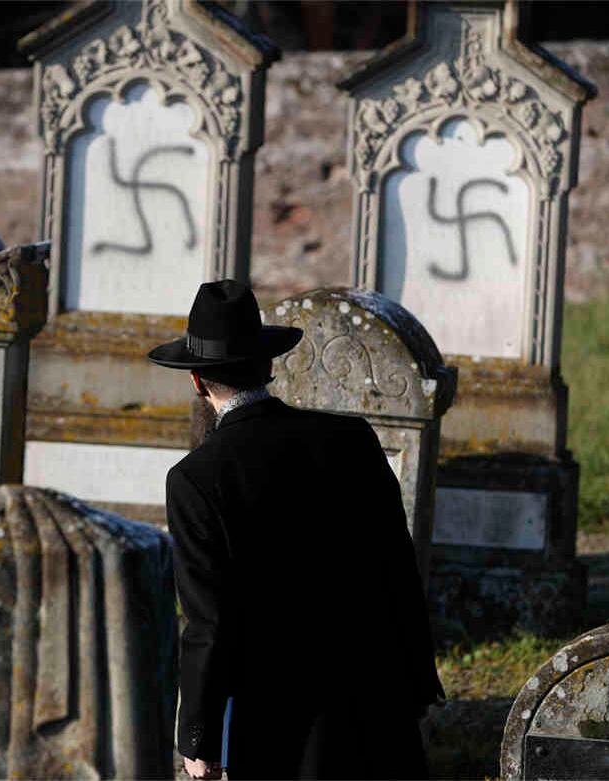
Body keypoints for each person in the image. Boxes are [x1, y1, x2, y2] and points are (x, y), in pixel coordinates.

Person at [149, 280, 444, 780]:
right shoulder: (350, 440)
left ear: (197, 381)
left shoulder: (195, 479)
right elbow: (398, 567)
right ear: (268, 366)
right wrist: (418, 685)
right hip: (379, 700)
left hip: (280, 723)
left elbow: (210, 623)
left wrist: (198, 736)